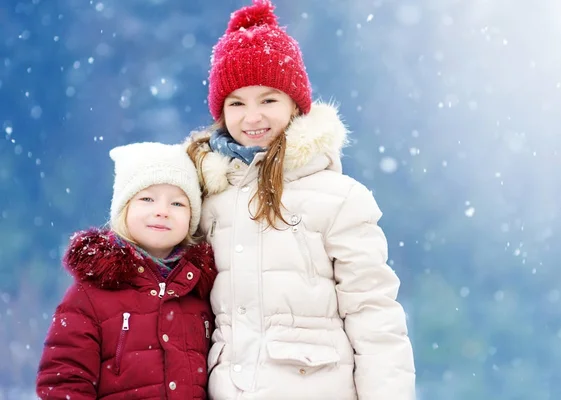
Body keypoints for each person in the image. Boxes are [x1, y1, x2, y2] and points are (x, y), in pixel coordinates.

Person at [186, 1, 416, 399]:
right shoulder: (205, 198)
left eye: (269, 99)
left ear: (295, 104)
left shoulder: (339, 198)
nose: (252, 116)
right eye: (236, 103)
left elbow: (373, 313)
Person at [36, 142, 218, 400]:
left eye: (178, 204)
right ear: (124, 209)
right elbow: (64, 381)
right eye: (146, 199)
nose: (162, 211)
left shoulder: (201, 291)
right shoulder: (89, 294)